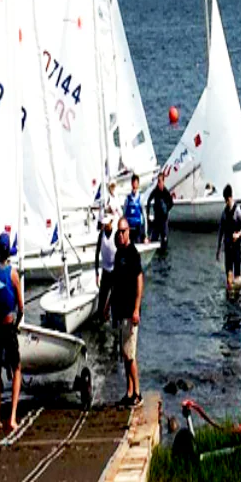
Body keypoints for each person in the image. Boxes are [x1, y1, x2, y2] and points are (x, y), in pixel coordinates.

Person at [0, 231, 24, 431]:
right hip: (8, 328)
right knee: (17, 368)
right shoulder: (13, 274)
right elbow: (21, 307)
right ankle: (13, 417)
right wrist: (16, 324)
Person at [111, 216, 144, 407]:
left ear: (128, 231)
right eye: (119, 232)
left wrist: (137, 308)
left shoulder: (133, 254)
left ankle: (137, 392)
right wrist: (108, 305)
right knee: (124, 354)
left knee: (130, 355)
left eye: (123, 231)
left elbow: (140, 281)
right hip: (120, 310)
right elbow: (115, 282)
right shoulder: (119, 254)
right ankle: (129, 391)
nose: (121, 235)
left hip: (131, 311)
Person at [216, 183, 241, 289]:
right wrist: (218, 249)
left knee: (237, 276)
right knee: (228, 276)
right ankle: (229, 295)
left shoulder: (237, 211)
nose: (225, 202)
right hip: (227, 247)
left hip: (236, 248)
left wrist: (238, 234)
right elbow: (221, 231)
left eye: (226, 199)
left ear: (230, 197)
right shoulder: (224, 213)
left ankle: (237, 295)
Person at [95, 214, 117, 323]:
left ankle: (113, 321)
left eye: (107, 223)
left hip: (115, 272)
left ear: (111, 222)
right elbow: (97, 253)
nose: (105, 225)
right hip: (105, 271)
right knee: (101, 303)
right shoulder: (101, 235)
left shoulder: (117, 235)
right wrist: (96, 273)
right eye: (104, 223)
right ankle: (101, 320)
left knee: (114, 303)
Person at [146, 172, 174, 251]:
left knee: (164, 239)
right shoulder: (155, 191)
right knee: (154, 238)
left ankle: (164, 250)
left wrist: (166, 210)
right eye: (158, 181)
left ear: (163, 181)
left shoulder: (165, 192)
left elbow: (171, 203)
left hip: (163, 220)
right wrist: (148, 214)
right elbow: (149, 200)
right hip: (157, 219)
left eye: (160, 181)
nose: (158, 183)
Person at [123, 174, 145, 243]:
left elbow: (144, 216)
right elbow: (124, 215)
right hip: (129, 229)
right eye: (133, 184)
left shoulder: (141, 198)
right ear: (131, 184)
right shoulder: (127, 199)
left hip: (138, 228)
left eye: (136, 184)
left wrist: (145, 235)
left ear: (138, 185)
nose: (134, 186)